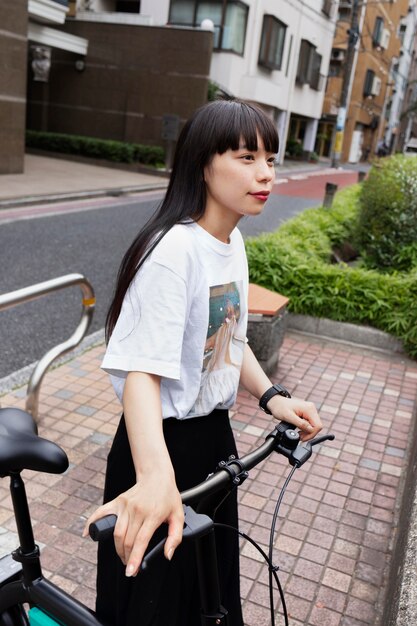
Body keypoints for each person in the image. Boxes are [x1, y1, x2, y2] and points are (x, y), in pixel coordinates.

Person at [84, 98, 322, 626]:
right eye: (245, 157)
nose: (265, 174)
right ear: (202, 165)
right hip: (160, 446)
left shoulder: (230, 240)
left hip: (213, 440)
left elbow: (228, 337)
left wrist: (272, 397)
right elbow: (141, 372)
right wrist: (153, 477)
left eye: (271, 159)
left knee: (209, 595)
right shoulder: (173, 252)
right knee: (155, 604)